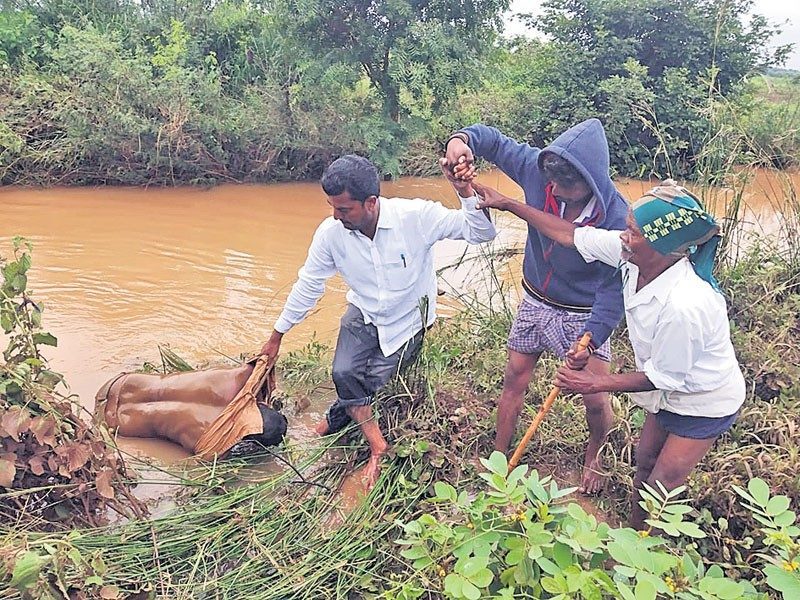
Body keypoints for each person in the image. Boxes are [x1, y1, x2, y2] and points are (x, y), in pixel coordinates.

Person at [474, 179, 745, 529]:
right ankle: (632, 535)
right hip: (666, 395)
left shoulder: (685, 304)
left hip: (703, 402)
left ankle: (645, 552)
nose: (622, 237)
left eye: (632, 232)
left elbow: (664, 377)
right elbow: (570, 234)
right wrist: (509, 204)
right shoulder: (632, 257)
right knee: (644, 463)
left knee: (662, 486)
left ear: (663, 246)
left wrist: (593, 383)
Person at [259, 154, 496, 488]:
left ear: (371, 202)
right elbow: (309, 284)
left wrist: (465, 190)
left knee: (371, 382)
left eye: (343, 209)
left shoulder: (415, 217)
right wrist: (277, 335)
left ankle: (335, 421)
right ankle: (378, 445)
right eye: (331, 207)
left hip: (408, 320)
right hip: (364, 311)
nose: (335, 216)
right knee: (344, 373)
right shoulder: (331, 234)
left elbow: (481, 233)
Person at [443, 119, 628, 493]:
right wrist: (459, 142)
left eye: (565, 186)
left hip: (582, 312)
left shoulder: (617, 217)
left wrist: (592, 338)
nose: (554, 190)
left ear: (589, 182)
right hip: (534, 300)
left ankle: (595, 452)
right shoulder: (538, 171)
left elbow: (614, 291)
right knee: (515, 379)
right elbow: (492, 140)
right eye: (551, 182)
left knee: (594, 395)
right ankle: (500, 458)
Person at [95, 359, 287, 455]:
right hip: (115, 422)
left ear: (260, 404)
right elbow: (200, 464)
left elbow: (264, 363)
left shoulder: (241, 377)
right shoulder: (211, 442)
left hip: (119, 383)